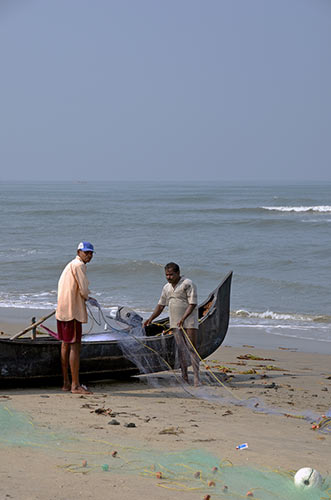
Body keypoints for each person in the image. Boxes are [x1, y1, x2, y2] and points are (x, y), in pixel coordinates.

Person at [144, 262, 200, 386]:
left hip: (189, 321)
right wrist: (150, 318)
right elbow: (161, 305)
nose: (169, 277)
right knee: (181, 350)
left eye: (171, 275)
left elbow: (192, 304)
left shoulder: (188, 284)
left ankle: (196, 378)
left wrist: (183, 318)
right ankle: (184, 376)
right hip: (175, 322)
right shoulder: (166, 287)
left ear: (178, 273)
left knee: (192, 349)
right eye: (167, 275)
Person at [56, 241, 95, 394]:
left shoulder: (70, 264)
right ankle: (75, 385)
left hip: (63, 310)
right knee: (75, 346)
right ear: (79, 252)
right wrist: (88, 298)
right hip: (72, 311)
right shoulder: (79, 265)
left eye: (91, 253)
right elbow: (84, 290)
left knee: (65, 344)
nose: (89, 255)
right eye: (86, 252)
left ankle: (66, 383)